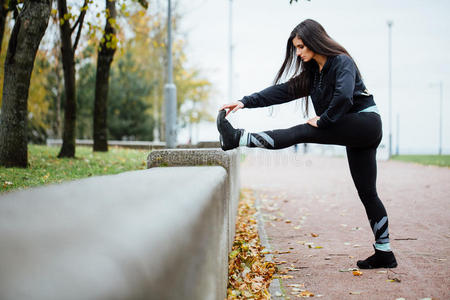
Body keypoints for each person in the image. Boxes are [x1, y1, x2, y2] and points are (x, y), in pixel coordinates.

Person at [216, 19, 397, 269]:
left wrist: (323, 121)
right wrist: (244, 101)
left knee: (303, 130)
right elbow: (281, 92)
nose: (298, 53)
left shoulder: (342, 62)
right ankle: (384, 252)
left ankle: (238, 138)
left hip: (365, 122)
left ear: (314, 41)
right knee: (367, 192)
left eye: (301, 46)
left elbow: (344, 96)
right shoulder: (313, 75)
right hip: (355, 129)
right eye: (296, 48)